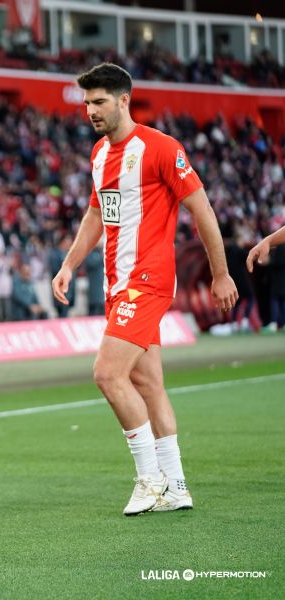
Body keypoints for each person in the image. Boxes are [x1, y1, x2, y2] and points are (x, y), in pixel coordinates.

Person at [51, 63, 237, 516]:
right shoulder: (98, 155)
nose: (91, 110)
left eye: (99, 102)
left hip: (148, 280)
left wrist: (221, 273)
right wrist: (69, 264)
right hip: (116, 283)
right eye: (87, 103)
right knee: (149, 383)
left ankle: (149, 480)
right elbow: (98, 215)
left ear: (123, 101)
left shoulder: (160, 148)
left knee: (107, 374)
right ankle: (175, 487)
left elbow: (202, 209)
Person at [47, 235, 75, 317]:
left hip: (69, 288)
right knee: (61, 311)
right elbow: (54, 270)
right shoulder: (54, 254)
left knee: (66, 311)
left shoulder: (69, 254)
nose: (69, 244)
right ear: (62, 242)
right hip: (60, 286)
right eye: (67, 242)